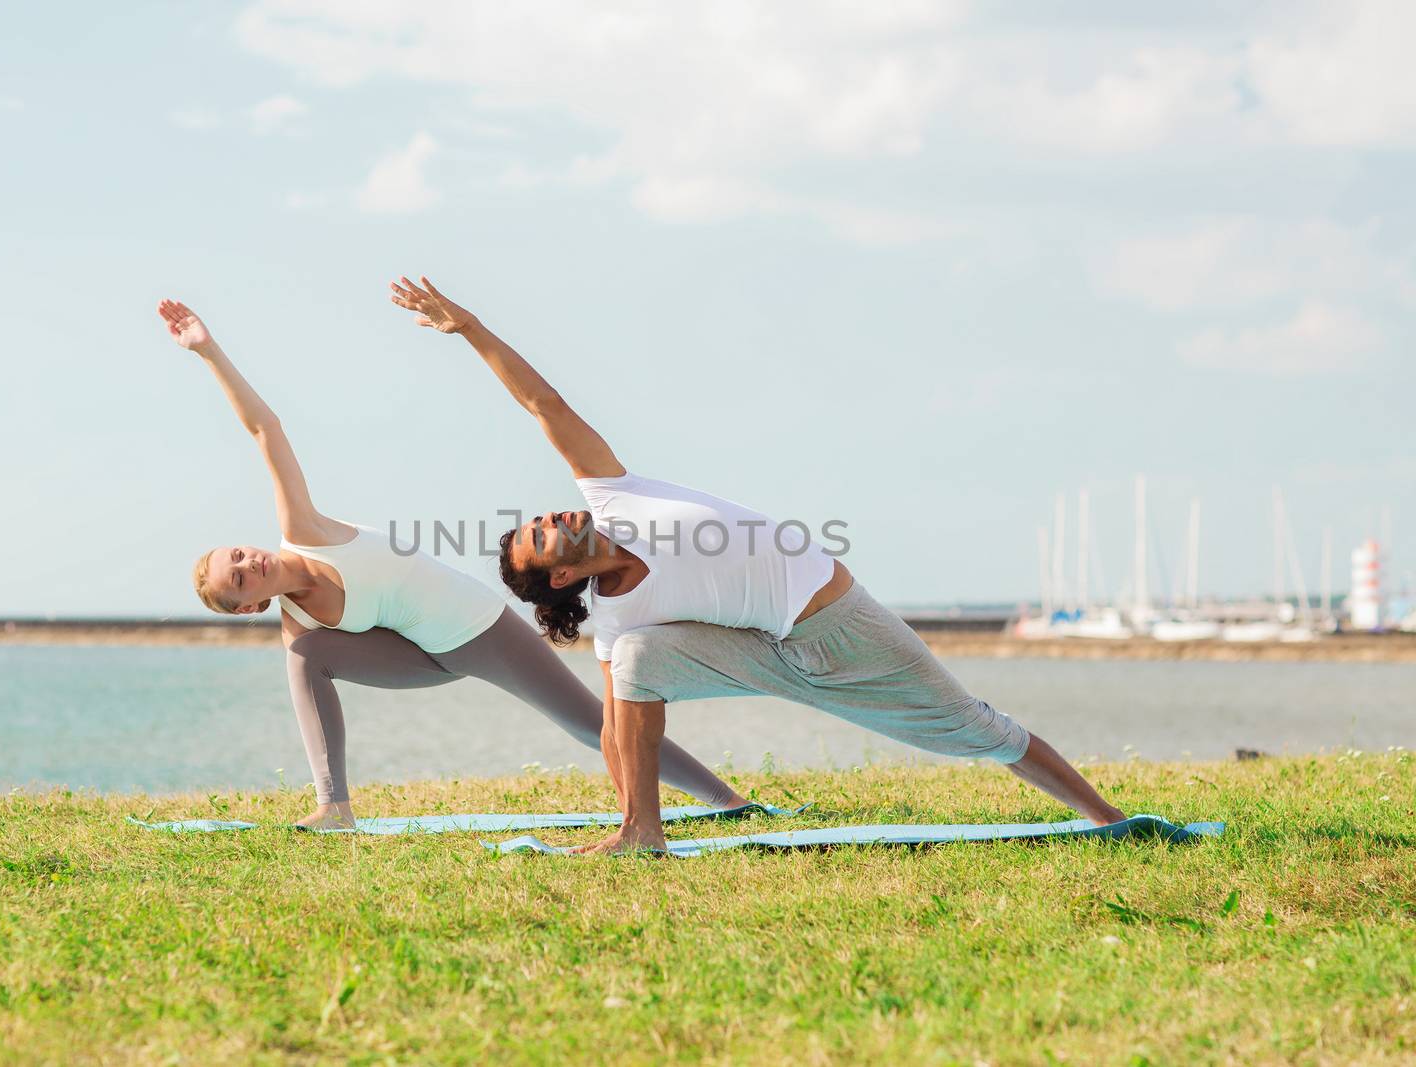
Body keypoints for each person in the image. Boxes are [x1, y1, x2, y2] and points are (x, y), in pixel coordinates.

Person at [387, 277, 1127, 854]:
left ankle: (1110, 819)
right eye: (541, 538)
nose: (551, 519)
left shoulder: (613, 493)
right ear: (558, 577)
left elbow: (542, 403)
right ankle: (642, 832)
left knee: (973, 727)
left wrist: (471, 329)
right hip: (764, 655)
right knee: (633, 661)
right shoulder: (617, 617)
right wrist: (625, 799)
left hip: (841, 627)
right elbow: (619, 725)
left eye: (542, 518)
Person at [156, 299, 744, 829]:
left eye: (236, 554)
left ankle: (728, 801)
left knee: (592, 724)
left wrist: (209, 351)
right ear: (251, 604)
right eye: (236, 579)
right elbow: (316, 664)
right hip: (419, 659)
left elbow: (265, 429)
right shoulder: (296, 624)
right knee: (304, 657)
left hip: (481, 629)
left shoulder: (303, 531)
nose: (247, 563)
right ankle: (334, 807)